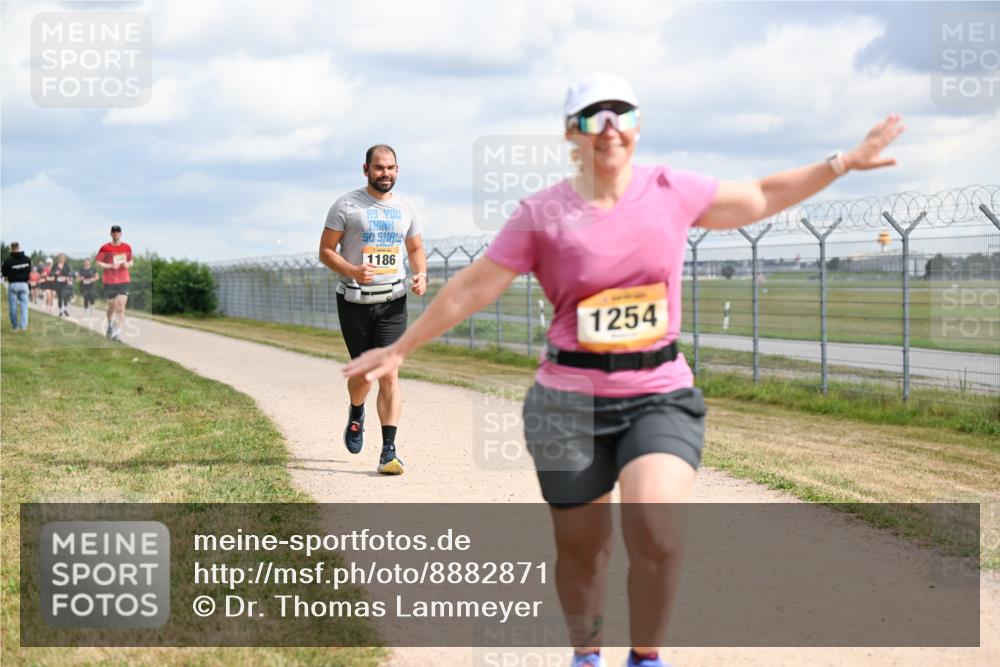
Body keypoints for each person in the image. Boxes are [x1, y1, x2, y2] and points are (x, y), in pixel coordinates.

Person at [343, 73, 904, 667]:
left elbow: (762, 195)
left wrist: (842, 162)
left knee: (657, 531)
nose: (608, 128)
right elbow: (474, 287)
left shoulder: (670, 190)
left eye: (622, 114)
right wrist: (402, 347)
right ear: (570, 133)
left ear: (636, 127)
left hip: (659, 392)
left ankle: (645, 656)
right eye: (592, 116)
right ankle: (587, 655)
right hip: (567, 399)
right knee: (584, 550)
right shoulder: (544, 212)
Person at [319, 144, 428, 475]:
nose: (386, 174)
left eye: (392, 168)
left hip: (393, 302)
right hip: (355, 301)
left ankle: (388, 451)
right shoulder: (347, 205)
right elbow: (325, 251)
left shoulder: (406, 208)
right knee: (364, 375)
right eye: (379, 168)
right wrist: (352, 270)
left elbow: (416, 247)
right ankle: (356, 411)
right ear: (365, 169)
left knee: (389, 371)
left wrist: (421, 273)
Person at [94, 225, 133, 341]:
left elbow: (131, 261)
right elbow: (98, 262)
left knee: (121, 306)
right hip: (109, 280)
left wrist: (127, 264)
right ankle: (110, 325)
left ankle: (117, 333)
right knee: (111, 306)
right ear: (111, 234)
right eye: (114, 232)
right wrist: (110, 266)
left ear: (121, 234)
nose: (116, 233)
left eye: (118, 232)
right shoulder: (105, 248)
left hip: (124, 279)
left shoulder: (127, 247)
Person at [2, 242, 32, 331]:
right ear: (19, 247)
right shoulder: (27, 259)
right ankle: (23, 326)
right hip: (24, 284)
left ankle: (15, 326)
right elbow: (29, 271)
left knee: (13, 307)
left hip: (13, 284)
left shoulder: (8, 261)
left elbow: (4, 274)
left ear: (11, 248)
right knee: (24, 306)